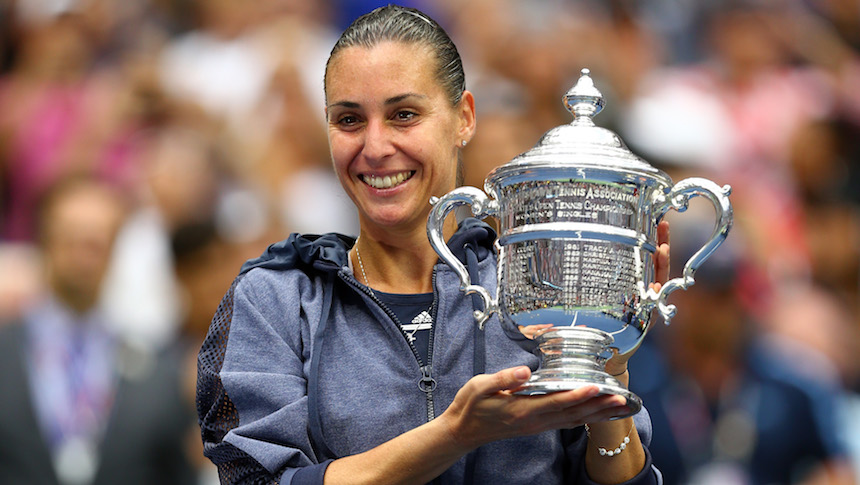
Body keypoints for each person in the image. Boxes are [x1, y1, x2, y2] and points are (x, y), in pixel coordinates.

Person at [197, 5, 669, 484]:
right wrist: (455, 434)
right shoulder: (275, 299)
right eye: (349, 120)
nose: (376, 146)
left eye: (404, 115)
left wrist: (608, 381)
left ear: (463, 118)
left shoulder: (538, 285)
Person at [0, 175, 197, 485]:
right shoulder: (6, 348)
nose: (83, 256)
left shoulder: (158, 366)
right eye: (70, 236)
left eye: (97, 241)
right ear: (44, 239)